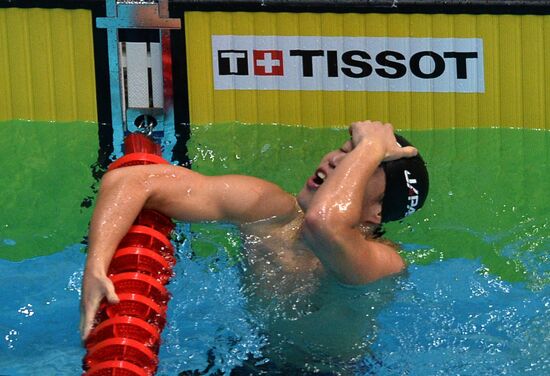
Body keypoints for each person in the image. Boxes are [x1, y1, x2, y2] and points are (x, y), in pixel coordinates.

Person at [80, 120, 429, 372]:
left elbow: (325, 224)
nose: (336, 161)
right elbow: (134, 180)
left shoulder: (381, 263)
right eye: (343, 150)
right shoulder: (270, 211)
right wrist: (95, 266)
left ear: (377, 212)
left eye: (358, 166)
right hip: (254, 357)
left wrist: (370, 145)